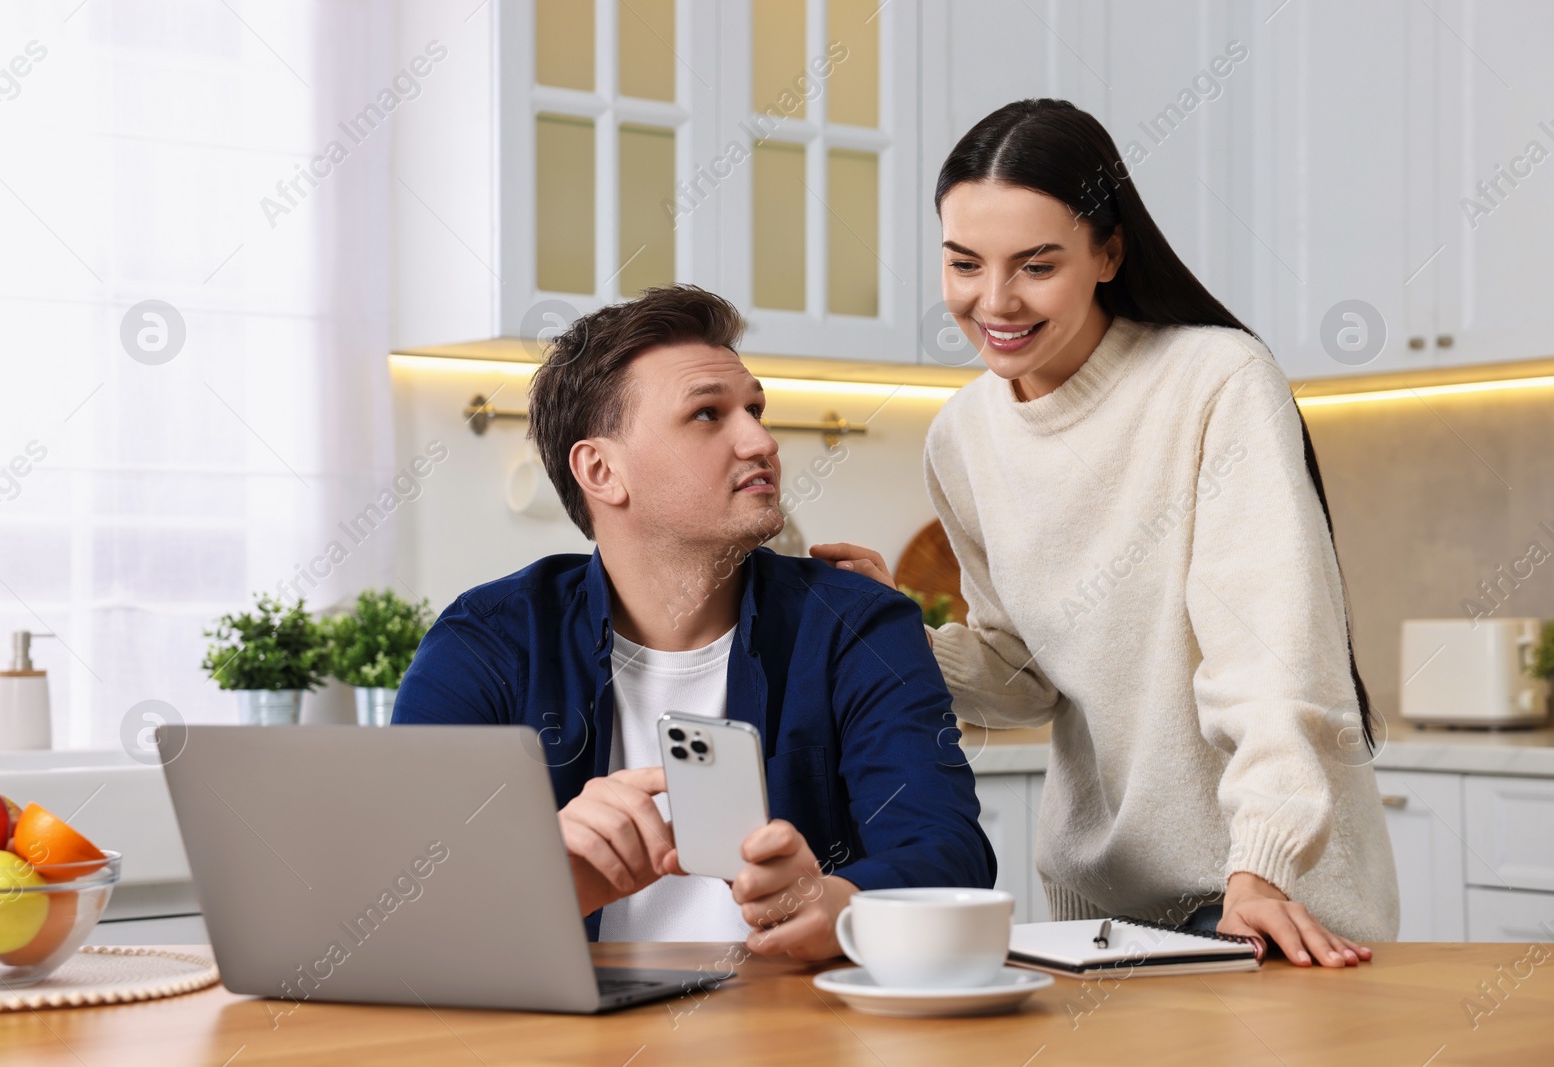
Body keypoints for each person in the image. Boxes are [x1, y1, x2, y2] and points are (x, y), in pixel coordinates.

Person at [813, 98, 1400, 967]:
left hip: (1265, 902)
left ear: (1108, 253)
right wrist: (893, 629)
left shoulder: (1214, 381)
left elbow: (1270, 647)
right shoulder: (962, 437)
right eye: (964, 263)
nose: (994, 300)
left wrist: (1263, 865)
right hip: (1099, 916)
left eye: (1036, 266)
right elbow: (1023, 677)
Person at [393, 284, 995, 961]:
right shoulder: (488, 639)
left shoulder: (857, 624)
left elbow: (950, 854)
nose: (761, 440)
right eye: (708, 414)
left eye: (756, 409)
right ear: (601, 469)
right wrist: (538, 882)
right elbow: (394, 893)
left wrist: (841, 902)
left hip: (797, 1037)